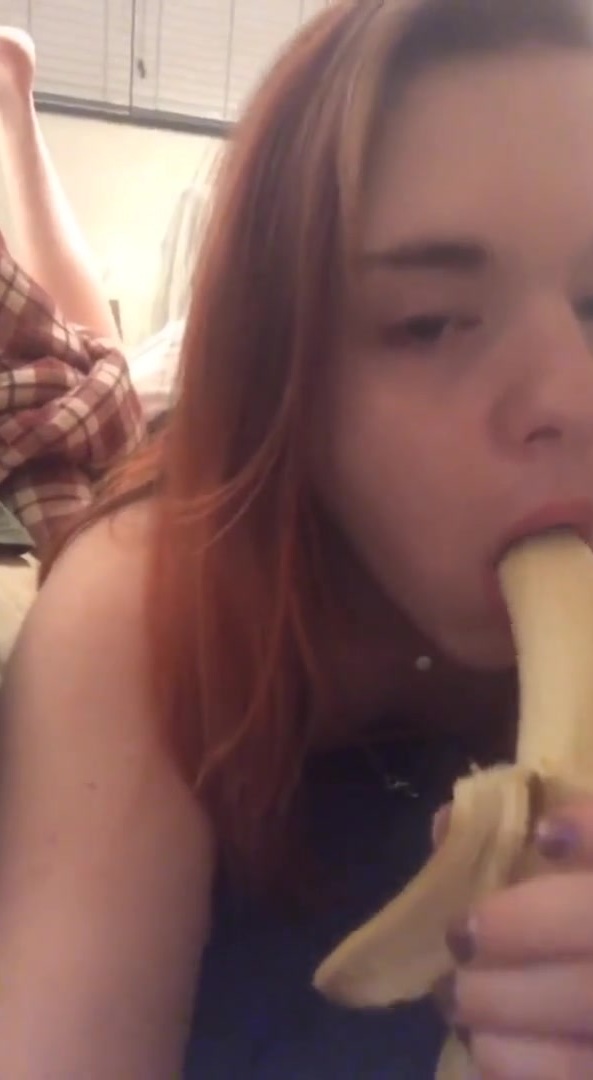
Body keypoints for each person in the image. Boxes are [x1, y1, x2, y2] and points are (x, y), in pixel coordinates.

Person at [3, 0, 593, 1075]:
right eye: (428, 323)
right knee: (96, 360)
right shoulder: (147, 604)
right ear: (285, 375)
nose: (571, 396)